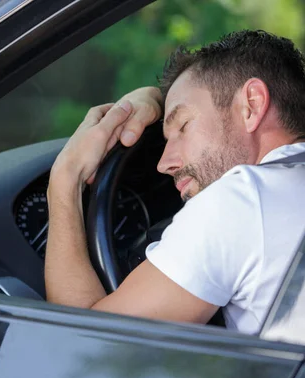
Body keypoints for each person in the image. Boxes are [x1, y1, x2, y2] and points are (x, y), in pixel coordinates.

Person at [45, 30, 305, 334]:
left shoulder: (241, 198)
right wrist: (154, 97)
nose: (164, 164)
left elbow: (85, 341)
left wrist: (65, 178)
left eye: (182, 126)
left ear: (251, 104)